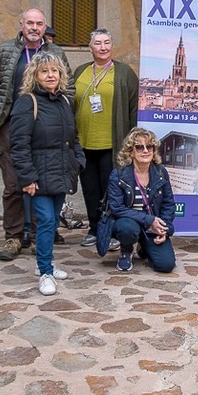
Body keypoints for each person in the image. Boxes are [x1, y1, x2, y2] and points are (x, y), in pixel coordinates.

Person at [0, 8, 73, 262]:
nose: (34, 27)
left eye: (39, 24)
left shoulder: (56, 53)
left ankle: (36, 236)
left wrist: (61, 114)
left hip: (45, 127)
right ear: (21, 24)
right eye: (30, 23)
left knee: (40, 183)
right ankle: (13, 235)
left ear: (45, 28)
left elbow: (69, 86)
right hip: (12, 127)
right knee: (14, 183)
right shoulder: (5, 51)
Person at [9, 53, 85, 295]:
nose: (51, 75)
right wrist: (27, 177)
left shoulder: (64, 101)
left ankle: (46, 262)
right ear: (35, 75)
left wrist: (78, 161)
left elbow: (72, 137)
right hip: (39, 176)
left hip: (61, 172)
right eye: (45, 71)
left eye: (55, 71)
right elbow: (19, 145)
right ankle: (44, 272)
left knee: (51, 225)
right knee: (46, 222)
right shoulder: (26, 103)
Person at [72, 29, 138, 248]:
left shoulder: (124, 73)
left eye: (107, 42)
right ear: (90, 48)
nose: (103, 47)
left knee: (111, 189)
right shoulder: (81, 71)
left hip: (112, 144)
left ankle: (111, 230)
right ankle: (93, 228)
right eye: (98, 43)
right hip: (84, 143)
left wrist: (130, 142)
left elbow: (133, 108)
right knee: (90, 188)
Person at [106, 128, 177, 273]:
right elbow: (117, 208)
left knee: (166, 265)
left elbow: (168, 204)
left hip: (151, 226)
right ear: (130, 152)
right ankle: (126, 250)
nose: (145, 151)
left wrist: (164, 229)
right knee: (128, 228)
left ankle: (144, 246)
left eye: (149, 146)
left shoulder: (161, 172)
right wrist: (149, 219)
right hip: (127, 222)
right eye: (139, 147)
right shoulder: (118, 174)